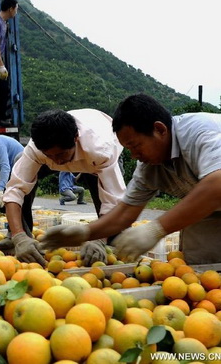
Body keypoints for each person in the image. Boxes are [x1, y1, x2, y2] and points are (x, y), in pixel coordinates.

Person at [39, 94, 221, 265]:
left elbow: (216, 184)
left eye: (135, 145)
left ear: (159, 129)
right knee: (201, 268)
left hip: (212, 196)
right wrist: (86, 232)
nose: (134, 155)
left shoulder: (200, 133)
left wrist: (156, 229)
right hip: (207, 207)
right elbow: (125, 212)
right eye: (128, 149)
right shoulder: (149, 167)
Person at [3, 109, 126, 266]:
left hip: (97, 157)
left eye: (60, 155)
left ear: (75, 139)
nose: (57, 161)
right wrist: (18, 236)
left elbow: (114, 201)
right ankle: (21, 238)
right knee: (19, 162)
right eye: (50, 156)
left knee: (112, 227)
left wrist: (98, 239)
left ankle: (106, 246)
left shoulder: (101, 149)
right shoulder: (37, 148)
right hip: (67, 147)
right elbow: (15, 190)